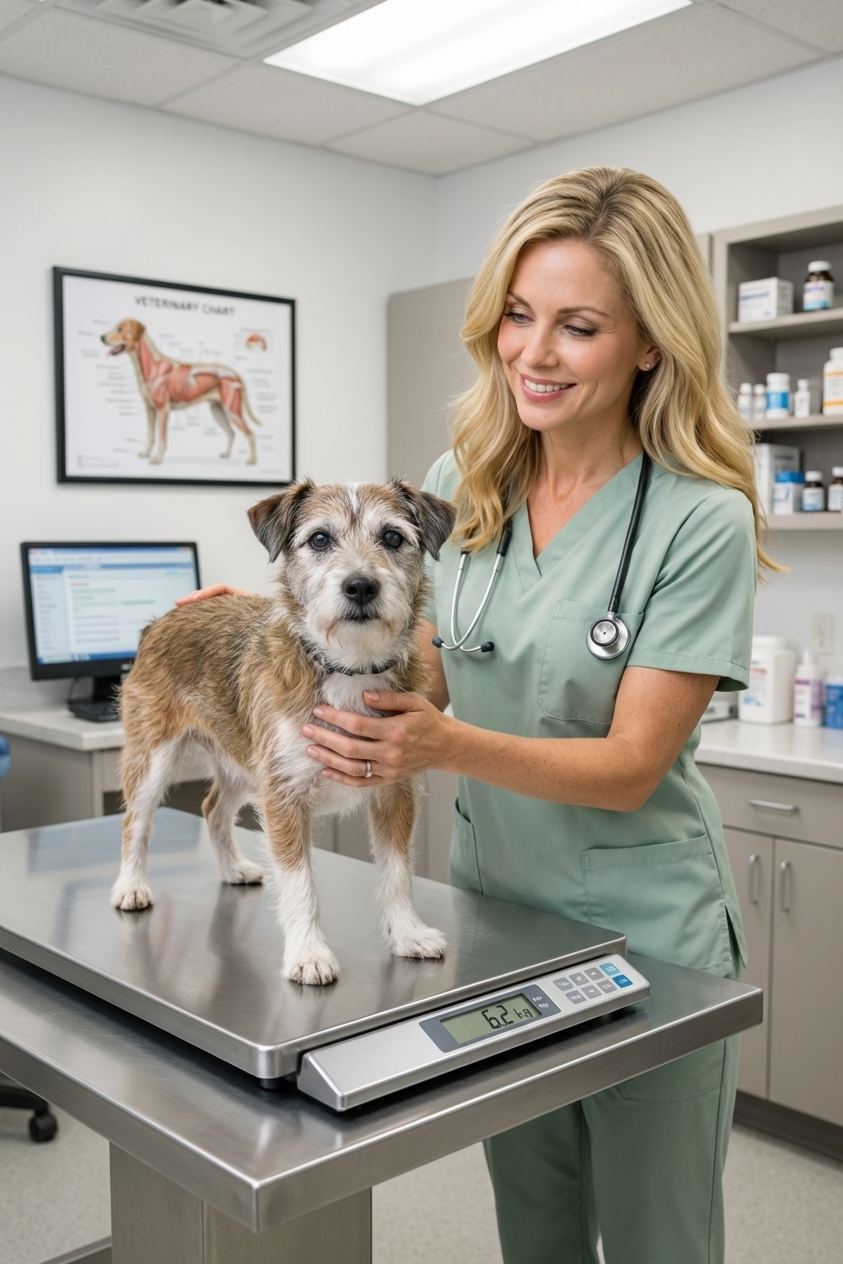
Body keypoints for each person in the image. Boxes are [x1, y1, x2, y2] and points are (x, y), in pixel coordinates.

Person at [183, 167, 770, 1264]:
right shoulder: (471, 482)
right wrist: (283, 642)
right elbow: (436, 672)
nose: (533, 352)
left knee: (656, 1240)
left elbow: (635, 762)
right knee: (535, 1228)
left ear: (650, 342)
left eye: (578, 326)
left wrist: (440, 744)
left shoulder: (701, 520)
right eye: (518, 314)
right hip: (501, 923)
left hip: (647, 936)